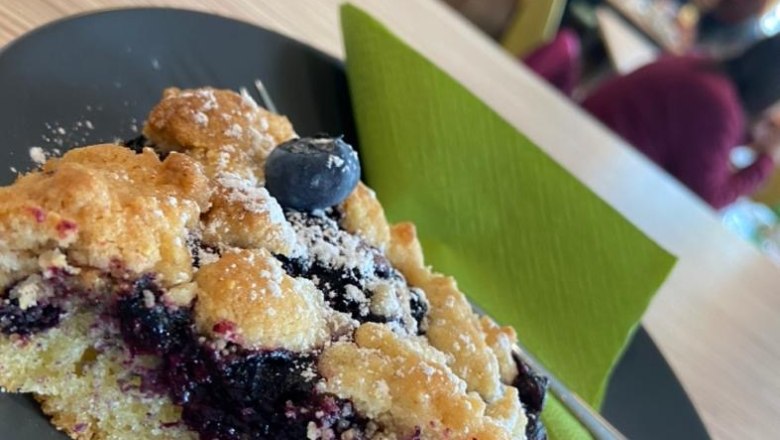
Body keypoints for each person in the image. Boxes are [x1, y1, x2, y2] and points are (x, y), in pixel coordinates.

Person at [582, 34, 780, 209]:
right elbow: (706, 200)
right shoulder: (719, 106)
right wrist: (767, 160)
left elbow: (699, 143)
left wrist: (752, 137)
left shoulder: (708, 67)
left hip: (590, 136)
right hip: (591, 172)